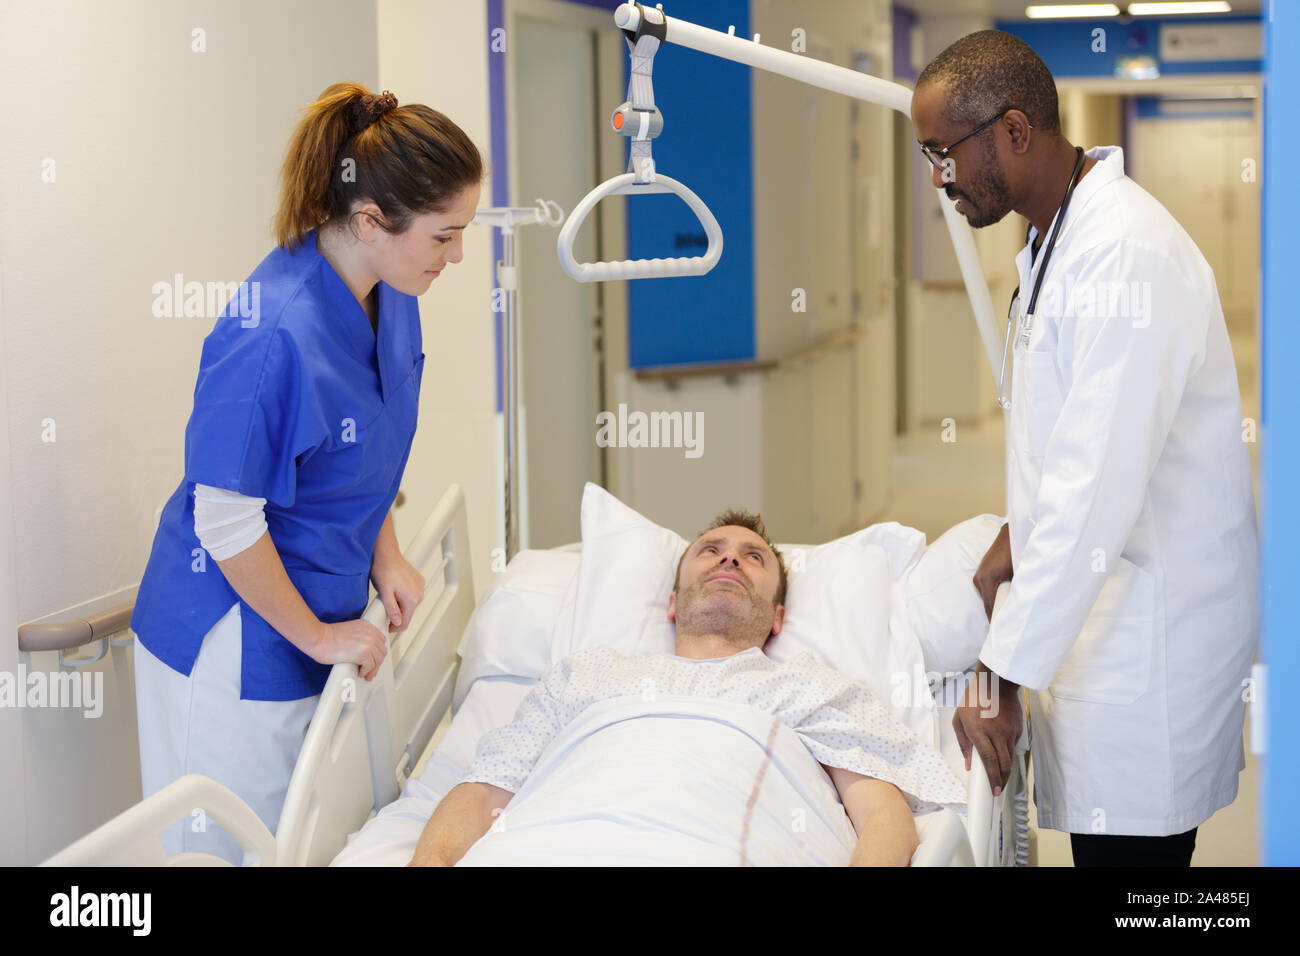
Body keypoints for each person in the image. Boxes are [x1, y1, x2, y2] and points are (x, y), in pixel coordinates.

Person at [910, 31, 1258, 866]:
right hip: (1106, 606)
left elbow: (1092, 487)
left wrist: (1001, 673)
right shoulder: (1055, 238)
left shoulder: (1125, 254)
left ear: (1015, 131)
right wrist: (1014, 538)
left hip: (1153, 634)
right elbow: (1065, 445)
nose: (938, 179)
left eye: (944, 153)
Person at [130, 82, 484, 863]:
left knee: (299, 846)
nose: (458, 255)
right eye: (445, 235)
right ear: (369, 220)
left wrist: (385, 551)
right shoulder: (272, 333)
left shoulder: (389, 290)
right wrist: (319, 635)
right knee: (229, 850)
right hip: (233, 638)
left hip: (316, 618)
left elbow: (359, 446)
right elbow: (225, 518)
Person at [408, 511, 967, 867]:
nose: (730, 558)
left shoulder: (810, 689)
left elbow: (884, 819)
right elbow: (483, 793)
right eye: (711, 550)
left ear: (777, 617)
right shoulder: (586, 676)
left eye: (754, 558)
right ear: (672, 603)